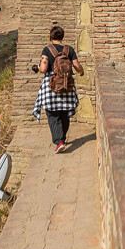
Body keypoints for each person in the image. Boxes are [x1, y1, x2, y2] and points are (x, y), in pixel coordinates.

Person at [32, 24, 84, 153]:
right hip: (66, 85)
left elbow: (43, 69)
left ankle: (58, 141)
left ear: (50, 37)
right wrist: (81, 72)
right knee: (64, 113)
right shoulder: (69, 50)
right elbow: (77, 66)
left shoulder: (47, 50)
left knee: (52, 114)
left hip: (52, 85)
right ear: (62, 36)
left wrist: (37, 67)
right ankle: (62, 138)